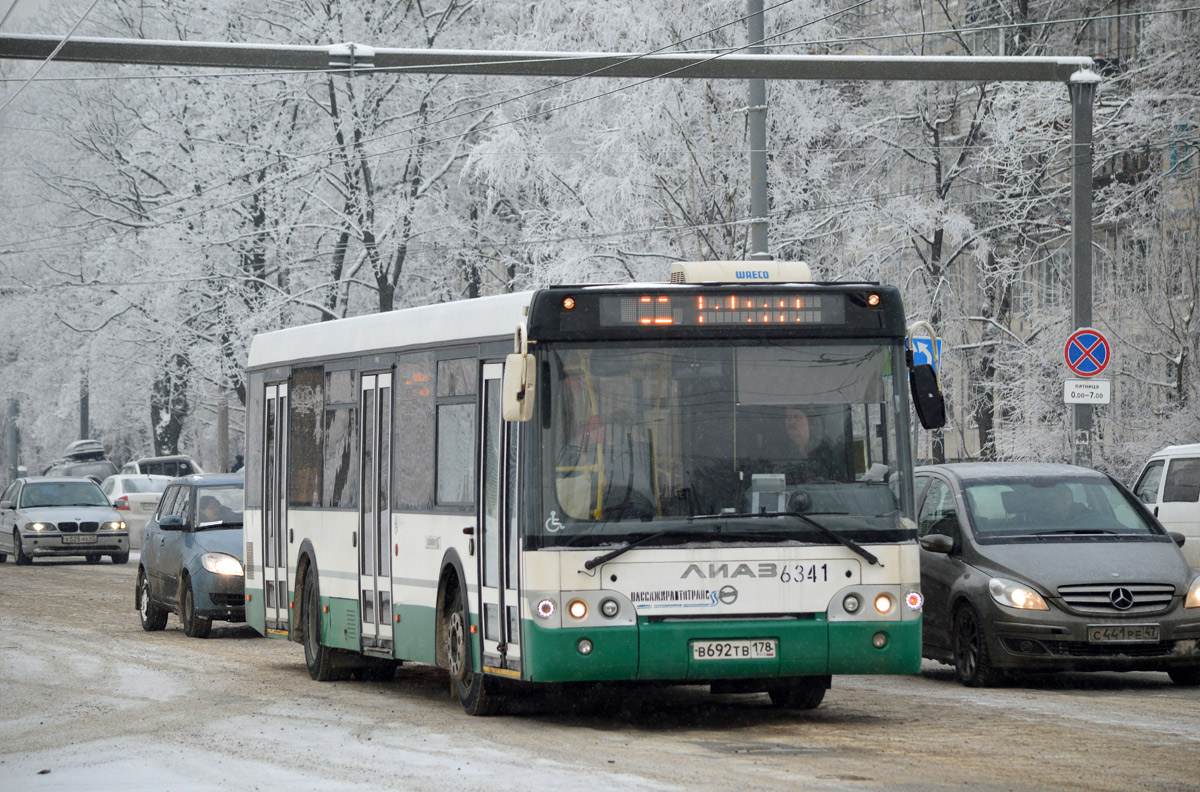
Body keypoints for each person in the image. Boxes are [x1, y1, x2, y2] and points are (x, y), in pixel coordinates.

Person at [777, 406, 847, 482]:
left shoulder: (826, 451)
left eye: (797, 416)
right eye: (787, 417)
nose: (791, 422)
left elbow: (840, 483)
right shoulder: (777, 452)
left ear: (809, 422)